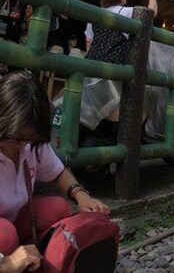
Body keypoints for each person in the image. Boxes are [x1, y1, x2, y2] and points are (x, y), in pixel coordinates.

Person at [0, 72, 111, 273]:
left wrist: (82, 196)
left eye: (28, 139)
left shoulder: (30, 142)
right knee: (5, 235)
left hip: (14, 217)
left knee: (58, 208)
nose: (22, 146)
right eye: (15, 139)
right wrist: (8, 264)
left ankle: (39, 262)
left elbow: (57, 172)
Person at [85, 0, 158, 60]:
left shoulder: (95, 13)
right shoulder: (125, 12)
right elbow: (151, 13)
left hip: (92, 60)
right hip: (113, 64)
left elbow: (89, 40)